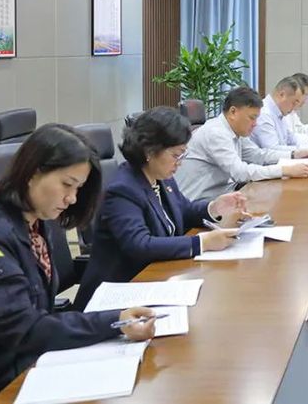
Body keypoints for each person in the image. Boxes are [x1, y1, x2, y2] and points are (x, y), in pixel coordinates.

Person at [0, 124, 156, 402]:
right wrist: (114, 321)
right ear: (33, 173)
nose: (72, 198)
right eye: (67, 184)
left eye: (78, 188)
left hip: (15, 365)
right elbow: (25, 330)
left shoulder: (35, 222)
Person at [75, 108, 251, 310]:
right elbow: (139, 245)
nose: (180, 163)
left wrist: (215, 207)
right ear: (150, 151)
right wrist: (201, 243)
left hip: (156, 280)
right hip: (118, 295)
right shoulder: (123, 189)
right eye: (176, 155)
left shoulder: (160, 178)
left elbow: (184, 210)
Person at [175, 87, 308, 202]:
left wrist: (293, 154)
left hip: (222, 193)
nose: (255, 124)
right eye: (252, 118)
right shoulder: (216, 133)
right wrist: (285, 170)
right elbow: (240, 172)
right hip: (200, 203)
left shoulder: (235, 129)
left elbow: (257, 155)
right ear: (233, 112)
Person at [252, 76, 308, 153]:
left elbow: (292, 139)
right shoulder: (264, 114)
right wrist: (307, 149)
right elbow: (273, 149)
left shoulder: (279, 112)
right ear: (282, 94)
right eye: (294, 102)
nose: (294, 107)